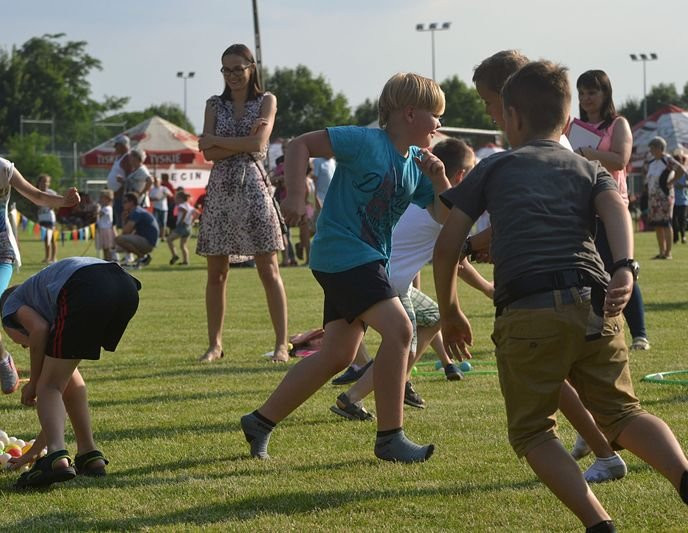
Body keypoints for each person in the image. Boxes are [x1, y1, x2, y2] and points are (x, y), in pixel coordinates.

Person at [434, 60, 688, 532]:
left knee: (533, 430)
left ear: (511, 117)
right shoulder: (586, 166)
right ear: (568, 120)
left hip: (527, 312)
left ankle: (599, 523)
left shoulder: (495, 167)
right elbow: (615, 207)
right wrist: (624, 268)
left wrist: (450, 311)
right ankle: (684, 476)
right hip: (595, 301)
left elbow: (447, 246)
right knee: (622, 413)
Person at [240, 72, 451, 463]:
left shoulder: (415, 165)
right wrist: (298, 196)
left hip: (363, 260)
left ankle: (260, 421)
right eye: (435, 114)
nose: (439, 124)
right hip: (345, 255)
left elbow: (441, 214)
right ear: (409, 113)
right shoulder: (366, 141)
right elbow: (301, 144)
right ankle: (390, 438)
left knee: (338, 355)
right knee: (402, 328)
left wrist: (439, 181)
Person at [473, 51, 628, 484]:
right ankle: (602, 447)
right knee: (598, 399)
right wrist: (626, 265)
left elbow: (527, 219)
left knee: (536, 417)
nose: (488, 113)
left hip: (540, 295)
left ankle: (601, 456)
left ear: (512, 106)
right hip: (584, 291)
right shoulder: (552, 148)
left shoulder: (528, 156)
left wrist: (474, 244)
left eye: (489, 103)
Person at [330, 138, 494, 421]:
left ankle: (399, 380)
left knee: (432, 315)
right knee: (404, 345)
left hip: (377, 277)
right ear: (461, 177)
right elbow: (460, 263)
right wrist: (489, 288)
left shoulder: (418, 194)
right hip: (387, 284)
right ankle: (352, 399)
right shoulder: (446, 209)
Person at [0, 113, 79, 394]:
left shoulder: (1, 168)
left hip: (0, 254)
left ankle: (2, 358)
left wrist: (63, 201)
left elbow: (35, 195)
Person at [0, 257, 141, 488]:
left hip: (87, 287)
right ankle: (88, 454)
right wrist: (35, 451)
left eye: (18, 341)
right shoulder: (49, 301)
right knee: (61, 382)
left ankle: (56, 457)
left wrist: (33, 383)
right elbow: (64, 389)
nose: (24, 347)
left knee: (48, 386)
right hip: (124, 287)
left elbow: (39, 330)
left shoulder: (11, 305)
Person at [196, 43, 289, 363]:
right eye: (226, 69)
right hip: (221, 190)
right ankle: (215, 344)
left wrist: (218, 140)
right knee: (216, 272)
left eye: (238, 68)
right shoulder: (213, 104)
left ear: (252, 67)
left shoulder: (267, 101)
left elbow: (258, 144)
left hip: (253, 186)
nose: (232, 75)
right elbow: (207, 154)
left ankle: (281, 344)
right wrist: (240, 143)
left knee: (268, 267)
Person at [574, 69, 651, 352]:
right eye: (582, 93)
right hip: (583, 206)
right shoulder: (574, 127)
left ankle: (639, 333)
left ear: (606, 93)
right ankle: (597, 326)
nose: (586, 98)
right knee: (592, 269)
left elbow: (621, 160)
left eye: (592, 92)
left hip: (611, 205)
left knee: (620, 266)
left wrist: (587, 153)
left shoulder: (618, 124)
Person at [645, 136, 686, 259]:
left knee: (666, 223)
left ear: (659, 148)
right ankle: (661, 252)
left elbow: (681, 170)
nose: (651, 150)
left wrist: (671, 182)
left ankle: (668, 253)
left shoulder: (667, 160)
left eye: (652, 147)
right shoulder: (652, 162)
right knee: (657, 224)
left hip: (664, 196)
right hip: (653, 197)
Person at [115, 192, 158, 267]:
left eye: (125, 202)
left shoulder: (136, 212)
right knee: (119, 246)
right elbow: (128, 233)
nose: (123, 204)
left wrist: (123, 220)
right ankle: (137, 260)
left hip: (148, 242)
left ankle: (142, 257)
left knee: (119, 239)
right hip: (148, 241)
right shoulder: (137, 211)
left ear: (132, 202)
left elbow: (125, 231)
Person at [107, 134, 131, 229]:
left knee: (122, 221)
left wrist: (120, 190)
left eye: (117, 145)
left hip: (121, 195)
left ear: (123, 146)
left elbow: (129, 177)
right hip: (116, 195)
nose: (115, 148)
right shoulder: (120, 157)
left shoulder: (127, 158)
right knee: (117, 221)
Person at [167, 190, 196, 266]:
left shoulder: (181, 205)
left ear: (180, 199)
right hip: (188, 227)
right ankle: (186, 262)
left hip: (182, 227)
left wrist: (182, 220)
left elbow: (185, 211)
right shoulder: (189, 205)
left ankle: (175, 255)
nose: (175, 200)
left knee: (169, 239)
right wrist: (192, 221)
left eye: (176, 198)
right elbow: (197, 213)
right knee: (183, 245)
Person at [36, 174, 59, 264]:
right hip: (42, 218)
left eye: (47, 182)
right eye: (43, 182)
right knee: (46, 239)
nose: (45, 184)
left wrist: (53, 206)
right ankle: (47, 257)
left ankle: (54, 257)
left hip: (50, 218)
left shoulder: (51, 193)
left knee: (52, 238)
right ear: (39, 183)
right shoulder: (36, 192)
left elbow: (58, 203)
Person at [148, 174, 173, 241]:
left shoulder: (164, 188)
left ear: (160, 182)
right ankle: (156, 235)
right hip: (156, 208)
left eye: (157, 181)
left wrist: (166, 194)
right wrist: (155, 199)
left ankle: (162, 237)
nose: (156, 183)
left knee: (163, 223)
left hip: (164, 208)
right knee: (155, 222)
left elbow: (171, 195)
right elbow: (149, 198)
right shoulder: (152, 189)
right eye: (155, 181)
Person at [672, 148, 688, 244]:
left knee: (682, 219)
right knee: (674, 220)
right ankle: (675, 238)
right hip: (673, 199)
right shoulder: (673, 172)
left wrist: (683, 185)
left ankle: (683, 236)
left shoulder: (685, 172)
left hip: (683, 200)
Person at [95, 189, 116, 261]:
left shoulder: (107, 208)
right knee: (105, 247)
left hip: (106, 230)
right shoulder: (105, 208)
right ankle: (106, 259)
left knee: (107, 247)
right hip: (103, 229)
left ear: (107, 199)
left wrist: (97, 209)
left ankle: (109, 259)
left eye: (101, 198)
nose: (100, 199)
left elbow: (98, 215)